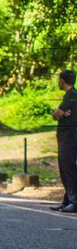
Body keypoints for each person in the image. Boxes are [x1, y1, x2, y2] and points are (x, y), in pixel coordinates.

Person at [51, 69, 77, 213]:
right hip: (65, 136)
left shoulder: (72, 95)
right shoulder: (71, 95)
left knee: (68, 168)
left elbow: (58, 114)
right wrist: (59, 113)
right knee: (64, 168)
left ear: (62, 80)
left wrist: (58, 112)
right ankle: (67, 200)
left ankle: (74, 201)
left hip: (69, 137)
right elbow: (59, 114)